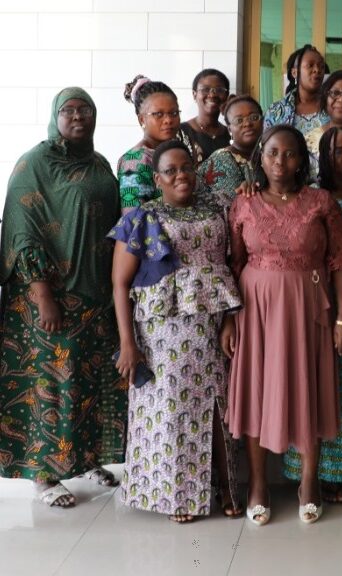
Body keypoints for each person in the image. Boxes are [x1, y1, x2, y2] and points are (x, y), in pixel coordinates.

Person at [0, 87, 127, 507]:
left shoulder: (99, 163)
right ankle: (44, 475)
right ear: (55, 117)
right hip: (50, 299)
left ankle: (84, 459)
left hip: (93, 296)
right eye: (68, 110)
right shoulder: (34, 164)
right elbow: (21, 233)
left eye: (85, 110)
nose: (77, 117)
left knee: (87, 384)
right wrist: (43, 296)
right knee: (50, 385)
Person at [226, 125, 342, 526]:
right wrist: (229, 319)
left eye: (290, 154)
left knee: (307, 386)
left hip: (307, 305)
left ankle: (309, 481)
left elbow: (340, 263)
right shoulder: (243, 203)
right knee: (258, 390)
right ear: (260, 158)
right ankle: (259, 484)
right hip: (256, 308)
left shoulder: (321, 202)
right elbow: (232, 263)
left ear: (303, 160)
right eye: (272, 153)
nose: (281, 162)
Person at [109, 140, 243, 523]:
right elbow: (120, 283)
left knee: (218, 405)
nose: (181, 175)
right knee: (172, 409)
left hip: (212, 324)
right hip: (162, 330)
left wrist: (231, 320)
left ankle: (225, 487)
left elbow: (230, 264)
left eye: (186, 167)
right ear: (157, 178)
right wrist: (127, 344)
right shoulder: (142, 217)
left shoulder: (218, 207)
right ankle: (177, 495)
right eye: (171, 170)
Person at [282, 127, 342, 504]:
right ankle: (320, 475)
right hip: (324, 301)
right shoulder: (315, 198)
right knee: (321, 386)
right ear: (323, 156)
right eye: (338, 150)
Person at [118, 75, 180, 213]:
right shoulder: (136, 160)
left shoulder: (177, 151)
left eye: (174, 113)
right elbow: (133, 220)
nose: (168, 120)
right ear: (142, 120)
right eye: (158, 114)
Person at [198, 95, 265, 209]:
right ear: (229, 129)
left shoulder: (268, 154)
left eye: (254, 117)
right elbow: (234, 208)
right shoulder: (222, 160)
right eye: (239, 120)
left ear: (263, 121)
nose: (247, 123)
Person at [264, 44, 330, 134]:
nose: (317, 70)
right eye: (310, 65)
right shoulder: (276, 111)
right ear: (294, 72)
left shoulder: (333, 106)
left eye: (321, 66)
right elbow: (267, 144)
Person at [179, 68, 231, 166]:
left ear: (226, 96)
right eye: (205, 89)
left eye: (219, 90)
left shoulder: (231, 135)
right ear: (194, 95)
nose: (212, 94)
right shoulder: (180, 133)